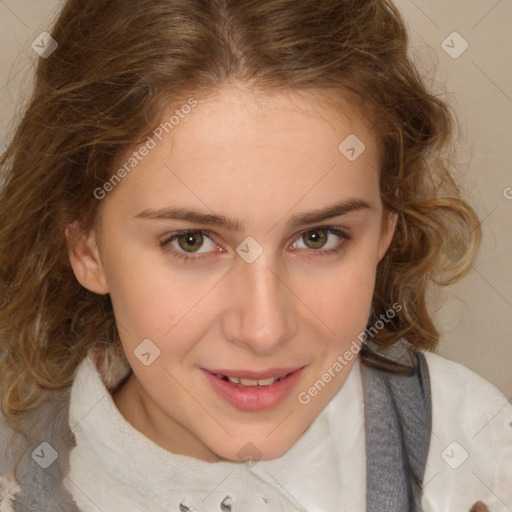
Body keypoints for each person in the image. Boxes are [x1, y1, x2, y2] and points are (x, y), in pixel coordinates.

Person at [0, 0, 510, 511]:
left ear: (384, 230)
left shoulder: (479, 454)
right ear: (86, 246)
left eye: (318, 237)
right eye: (191, 241)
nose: (264, 330)